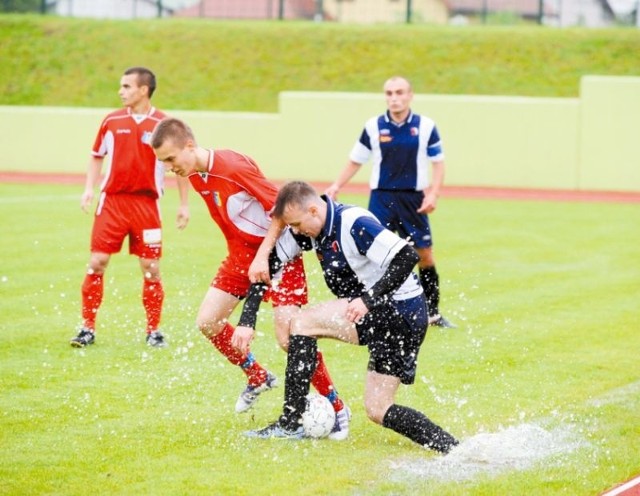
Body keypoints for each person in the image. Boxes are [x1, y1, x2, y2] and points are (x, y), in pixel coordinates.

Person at [150, 118, 350, 435]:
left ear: (190, 145)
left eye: (171, 159)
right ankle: (257, 376)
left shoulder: (232, 165)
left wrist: (263, 254)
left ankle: (337, 405)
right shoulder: (197, 175)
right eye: (163, 163)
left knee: (290, 339)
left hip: (278, 258)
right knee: (208, 322)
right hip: (240, 259)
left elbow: (281, 209)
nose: (169, 168)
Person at [240, 181, 459, 453]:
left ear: (313, 210)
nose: (295, 231)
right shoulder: (308, 230)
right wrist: (246, 321)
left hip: (400, 311)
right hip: (395, 313)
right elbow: (268, 266)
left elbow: (406, 256)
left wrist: (368, 300)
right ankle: (454, 448)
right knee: (378, 409)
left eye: (296, 224)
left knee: (301, 324)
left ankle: (291, 421)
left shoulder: (353, 222)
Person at [70, 66, 190, 349]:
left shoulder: (164, 123)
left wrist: (184, 204)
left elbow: (180, 164)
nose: (120, 91)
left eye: (126, 86)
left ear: (143, 90)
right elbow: (96, 156)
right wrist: (89, 188)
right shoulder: (111, 121)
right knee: (97, 262)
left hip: (147, 205)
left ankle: (154, 330)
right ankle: (87, 328)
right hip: (112, 203)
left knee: (151, 268)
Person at [325, 76, 455, 328]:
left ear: (410, 95)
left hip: (413, 199)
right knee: (374, 255)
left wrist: (433, 193)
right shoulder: (373, 126)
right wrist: (336, 185)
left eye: (399, 92)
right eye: (389, 93)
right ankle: (373, 309)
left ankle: (433, 313)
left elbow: (438, 162)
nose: (394, 98)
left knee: (424, 255)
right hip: (382, 198)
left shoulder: (426, 126)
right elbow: (356, 160)